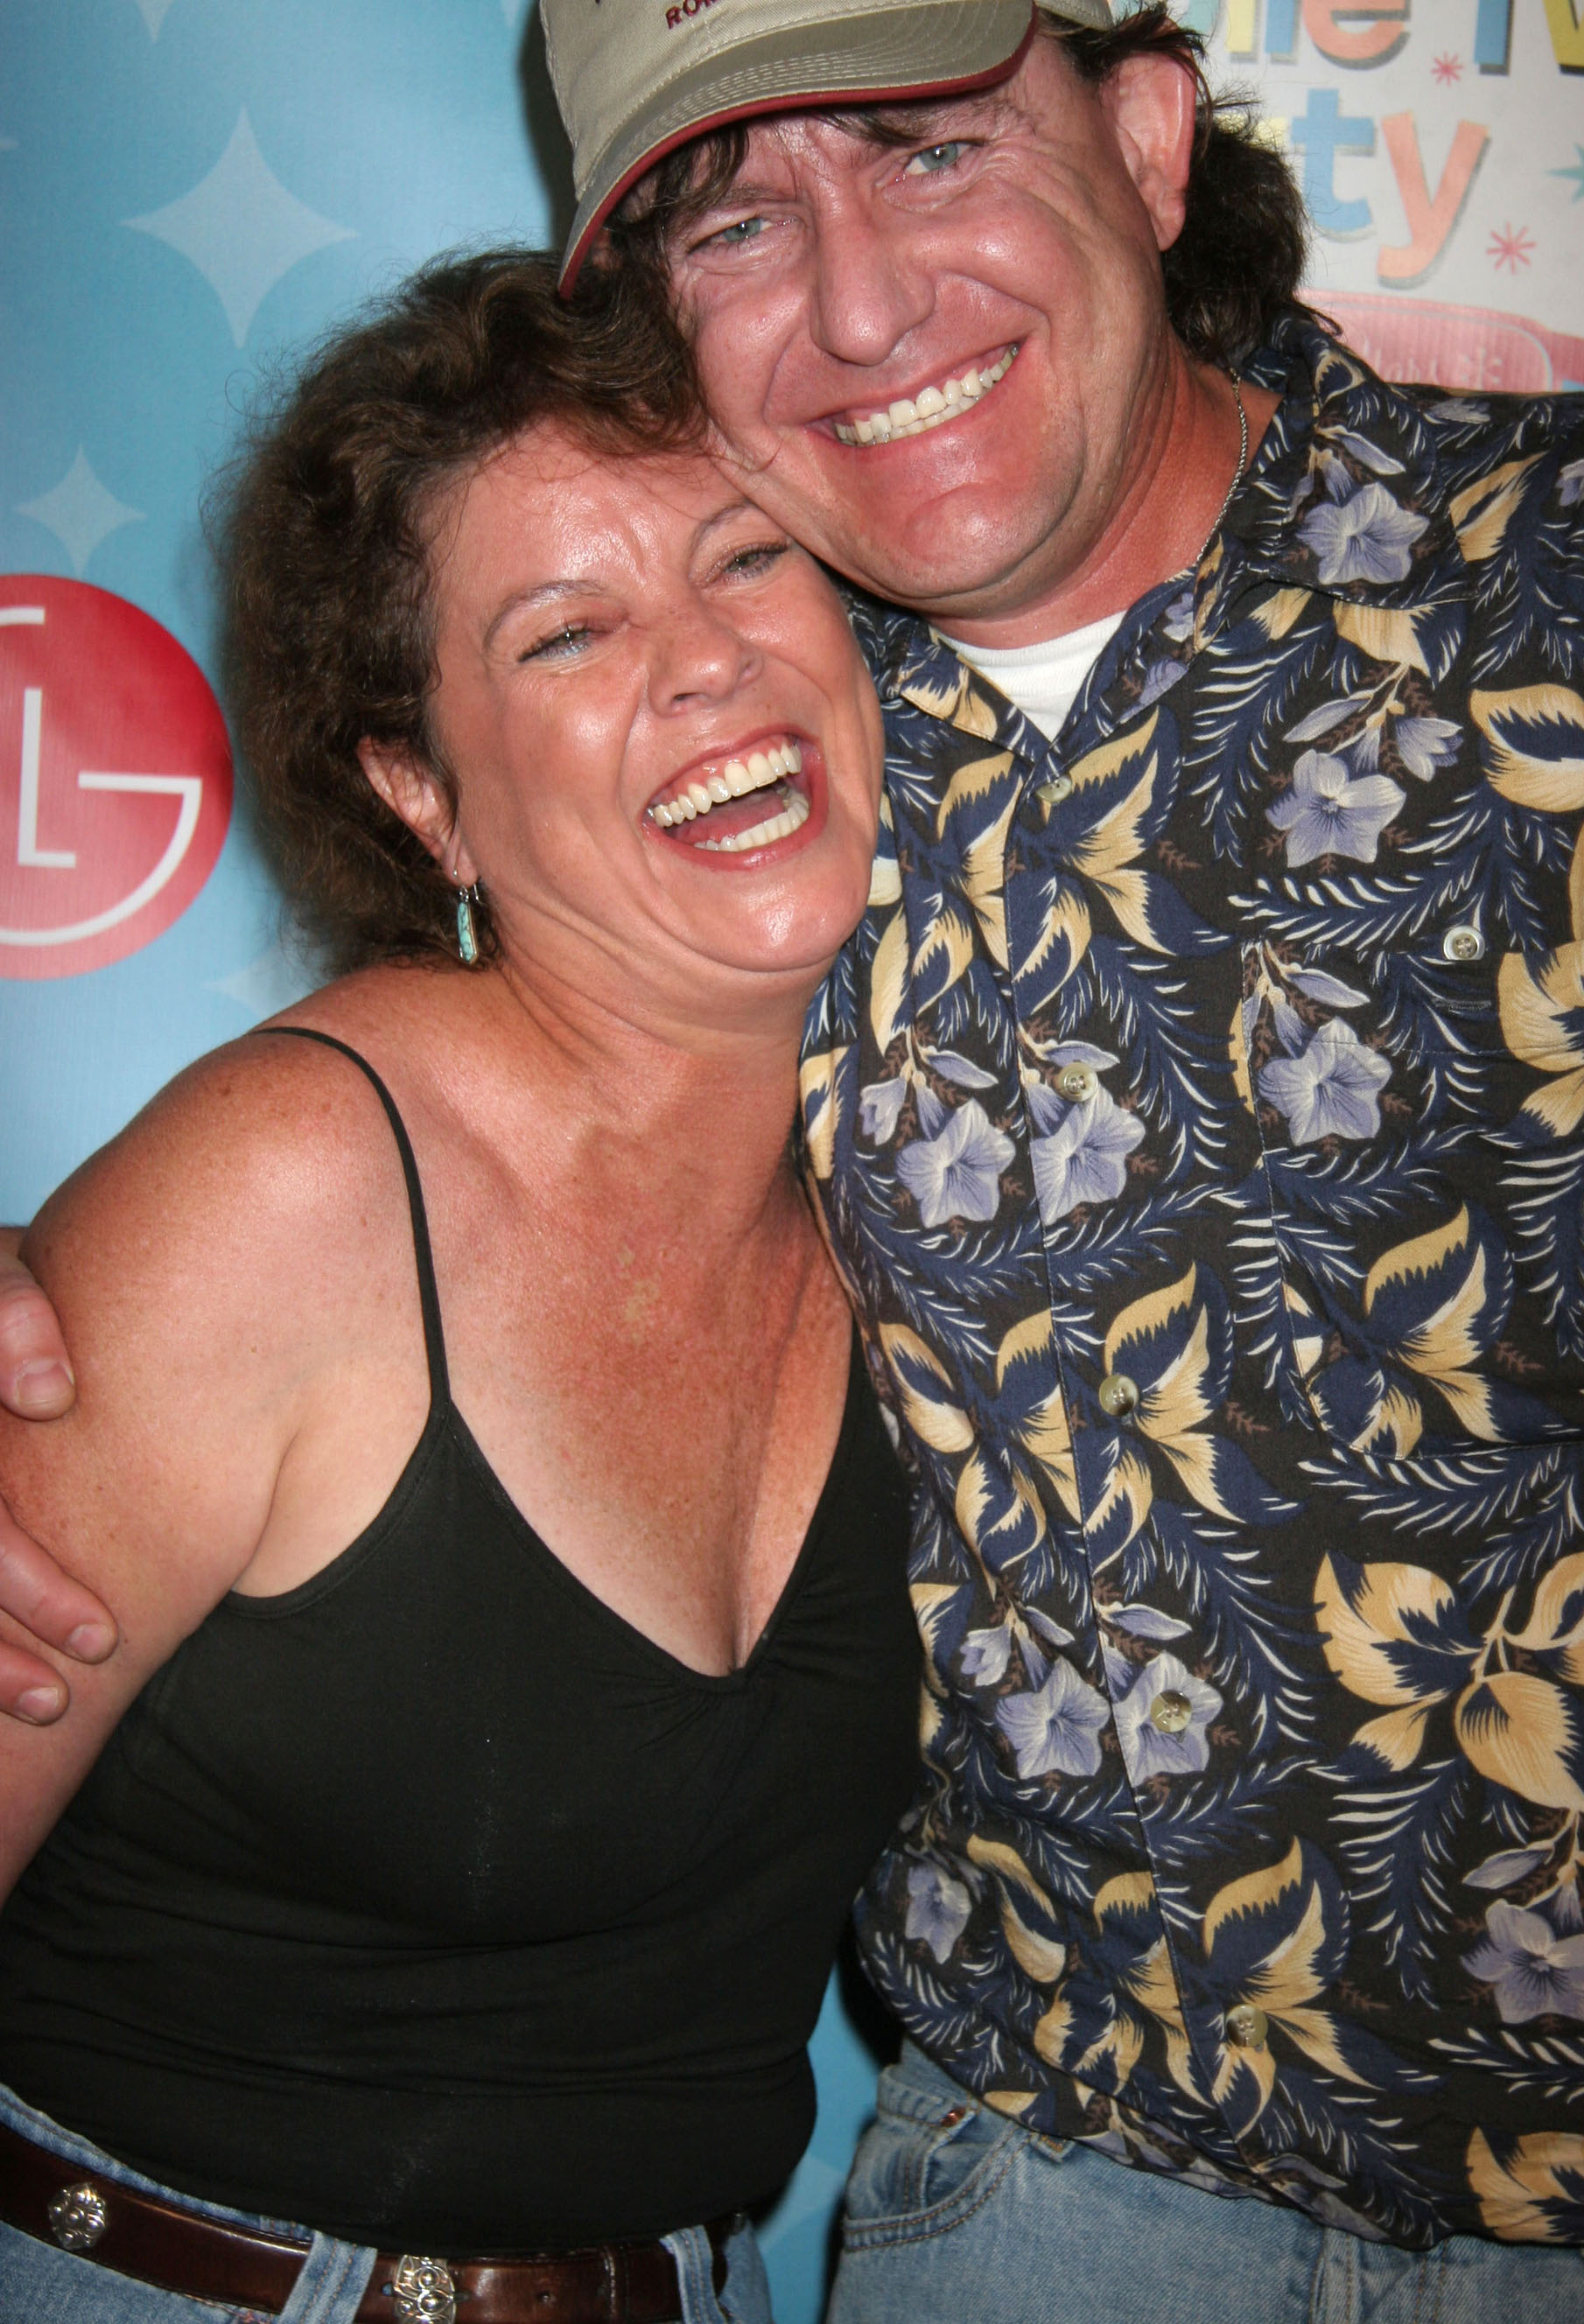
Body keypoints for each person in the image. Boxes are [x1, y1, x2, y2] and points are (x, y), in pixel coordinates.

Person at [4, 0, 1584, 2323]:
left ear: (1147, 144)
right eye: (737, 223)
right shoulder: (773, 777)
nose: (853, 301)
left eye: (932, 146)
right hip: (1045, 2214)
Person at [0, 246, 919, 2324]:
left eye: (747, 563)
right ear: (423, 792)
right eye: (569, 629)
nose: (703, 667)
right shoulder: (296, 1188)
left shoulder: (931, 1188)